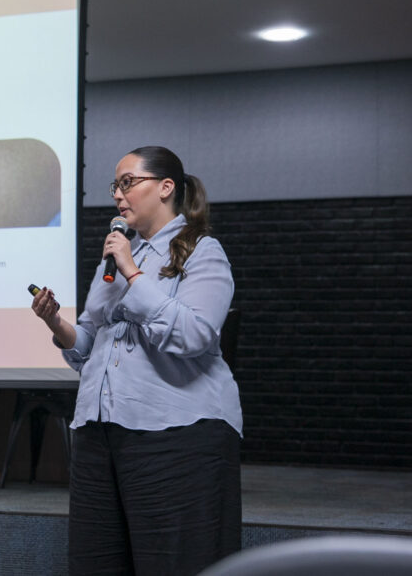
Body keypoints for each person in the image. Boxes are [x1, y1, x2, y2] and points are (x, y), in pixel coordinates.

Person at [31, 146, 242, 575]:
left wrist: (132, 272)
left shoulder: (203, 251)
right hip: (99, 432)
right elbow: (88, 346)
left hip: (177, 434)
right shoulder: (114, 258)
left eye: (128, 182)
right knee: (96, 564)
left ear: (166, 188)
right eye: (116, 186)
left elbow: (196, 335)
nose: (118, 195)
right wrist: (56, 322)